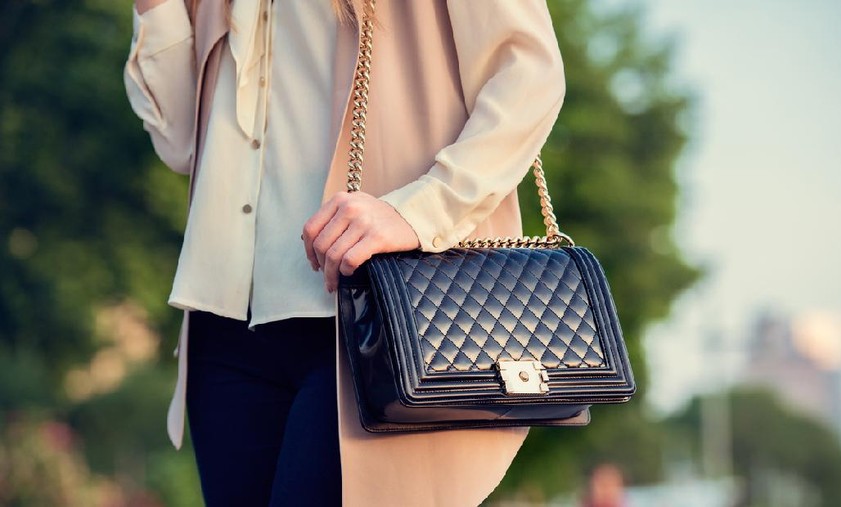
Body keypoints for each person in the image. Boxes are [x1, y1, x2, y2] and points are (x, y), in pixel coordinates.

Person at [124, 0, 566, 505]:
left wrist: (420, 209)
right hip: (223, 325)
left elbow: (529, 73)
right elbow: (181, 143)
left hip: (375, 317)